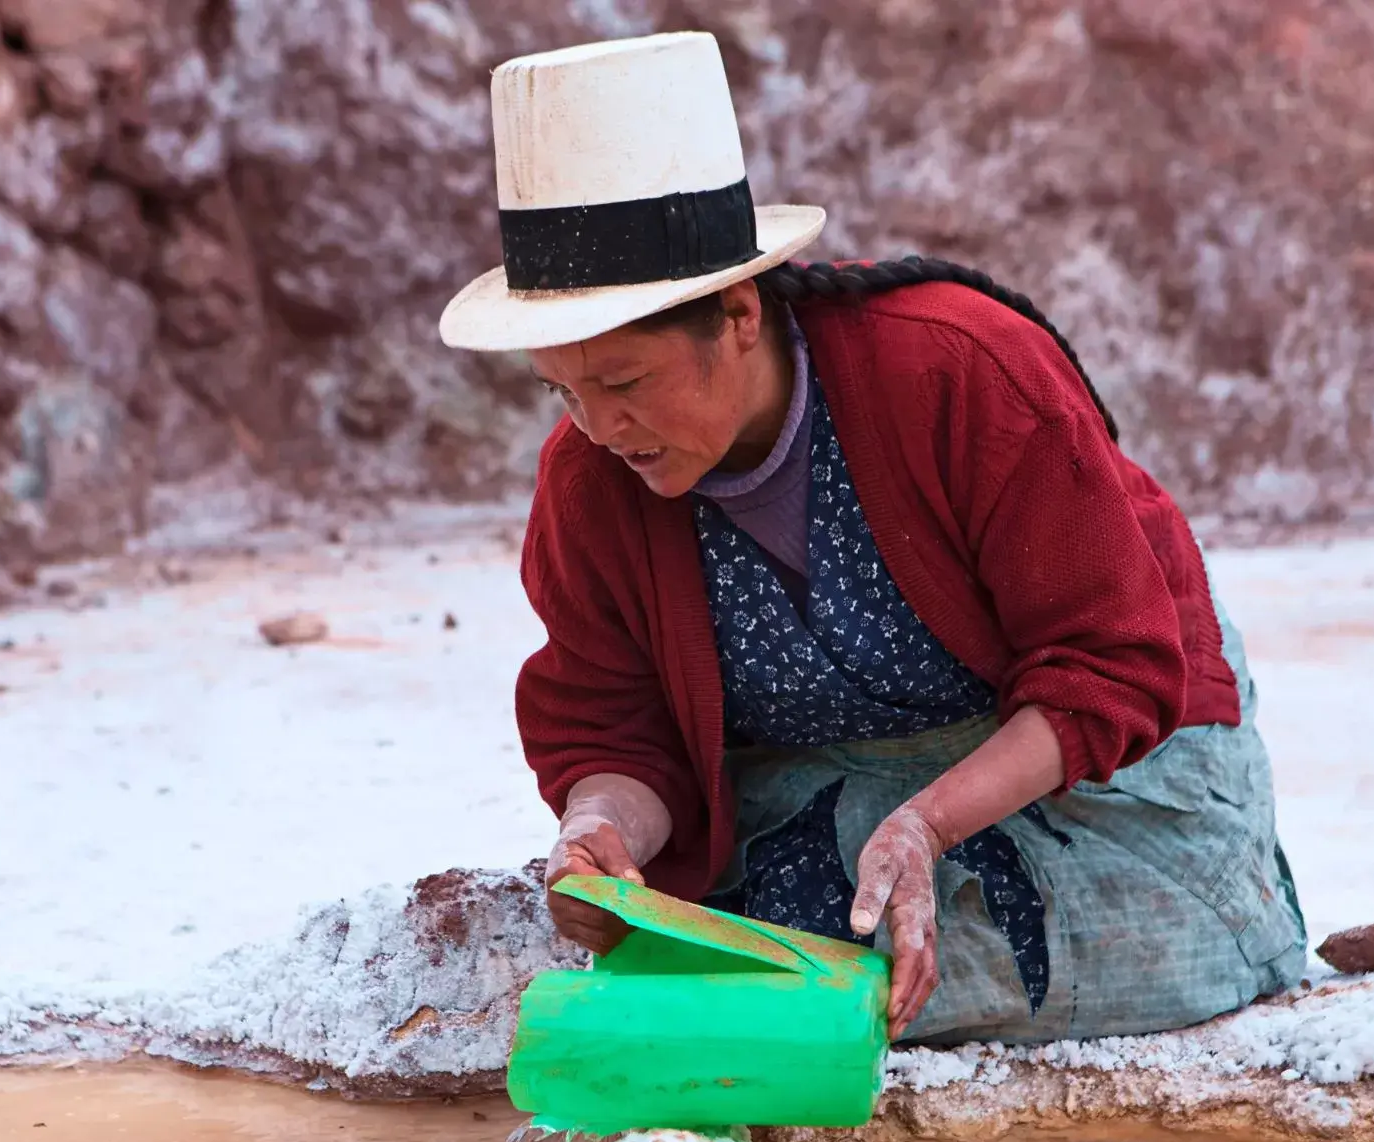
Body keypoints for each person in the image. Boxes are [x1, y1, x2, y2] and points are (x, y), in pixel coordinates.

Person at [438, 32, 1306, 1044]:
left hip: (1100, 769)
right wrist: (599, 827)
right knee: (755, 969)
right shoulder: (590, 480)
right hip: (833, 791)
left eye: (624, 381)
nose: (597, 426)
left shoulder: (959, 371)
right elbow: (617, 728)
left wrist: (929, 824)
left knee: (1081, 952)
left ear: (738, 314)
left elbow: (1108, 665)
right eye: (562, 391)